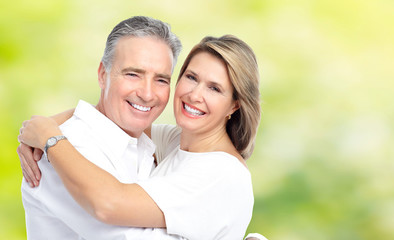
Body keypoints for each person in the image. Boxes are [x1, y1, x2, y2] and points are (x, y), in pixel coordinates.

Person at [19, 34, 263, 240]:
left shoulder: (219, 173)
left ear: (235, 105)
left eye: (214, 88)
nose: (195, 95)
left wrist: (51, 139)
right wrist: (44, 126)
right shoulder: (177, 142)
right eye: (191, 77)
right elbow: (118, 115)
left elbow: (110, 204)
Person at [16, 15, 186, 239]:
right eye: (133, 74)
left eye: (161, 80)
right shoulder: (62, 151)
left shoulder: (149, 146)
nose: (147, 94)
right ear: (102, 75)